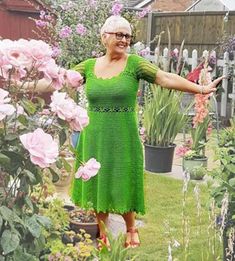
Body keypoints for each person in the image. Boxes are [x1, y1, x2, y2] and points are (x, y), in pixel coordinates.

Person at [33, 15, 223, 248]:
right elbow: (58, 81)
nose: (124, 40)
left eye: (128, 36)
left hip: (124, 134)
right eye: (119, 35)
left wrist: (201, 88)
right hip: (95, 134)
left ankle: (131, 227)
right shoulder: (89, 67)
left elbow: (164, 78)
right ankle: (102, 232)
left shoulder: (134, 64)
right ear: (104, 37)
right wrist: (21, 84)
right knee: (98, 179)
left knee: (124, 177)